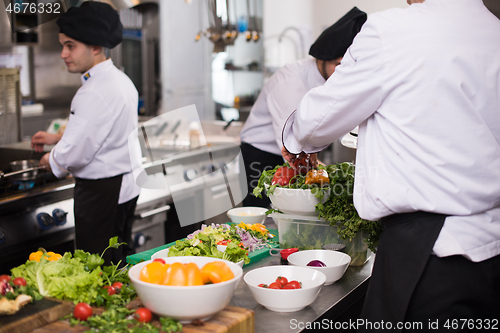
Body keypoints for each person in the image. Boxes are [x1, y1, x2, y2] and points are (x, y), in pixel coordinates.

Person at [281, 0, 500, 330]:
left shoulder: (394, 30)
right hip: (491, 249)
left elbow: (318, 119)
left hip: (428, 252)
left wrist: (294, 140)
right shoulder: (493, 29)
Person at [31, 1, 141, 265]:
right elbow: (105, 130)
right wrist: (59, 139)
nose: (63, 54)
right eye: (62, 46)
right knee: (117, 263)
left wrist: (51, 160)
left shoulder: (93, 91)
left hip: (101, 191)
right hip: (122, 185)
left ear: (95, 47)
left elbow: (76, 153)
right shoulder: (119, 80)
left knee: (97, 266)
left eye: (70, 46)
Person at [239, 7, 367, 208]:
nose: (344, 72)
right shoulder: (290, 81)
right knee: (265, 221)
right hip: (261, 157)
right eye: (339, 65)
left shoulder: (335, 80)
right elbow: (292, 142)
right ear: (322, 58)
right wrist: (331, 177)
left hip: (296, 155)